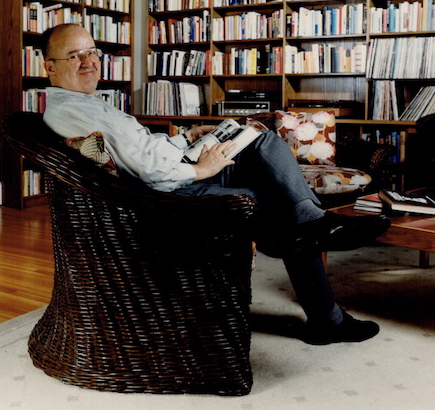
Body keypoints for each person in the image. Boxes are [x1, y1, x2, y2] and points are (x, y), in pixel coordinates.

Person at [41, 24, 390, 345]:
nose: (88, 62)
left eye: (92, 52)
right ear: (49, 67)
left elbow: (143, 148)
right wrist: (200, 170)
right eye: (74, 56)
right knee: (277, 198)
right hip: (168, 194)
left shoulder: (86, 102)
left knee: (259, 139)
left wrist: (187, 138)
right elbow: (147, 170)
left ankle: (308, 228)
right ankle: (321, 292)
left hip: (176, 170)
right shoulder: (70, 110)